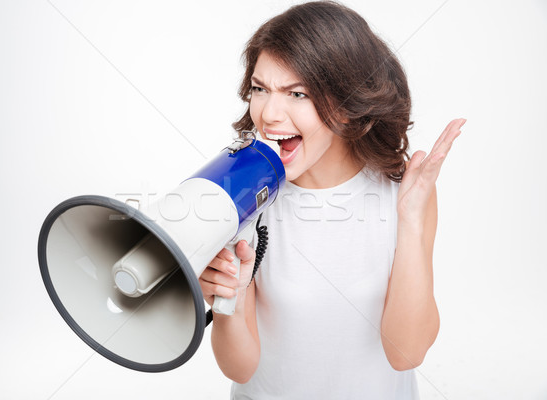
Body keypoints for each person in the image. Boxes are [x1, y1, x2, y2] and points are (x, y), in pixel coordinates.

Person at [198, 1, 465, 398]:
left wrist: (409, 220)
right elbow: (240, 366)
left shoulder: (404, 194)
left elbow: (406, 353)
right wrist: (229, 299)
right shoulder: (244, 194)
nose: (269, 113)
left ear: (346, 106)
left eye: (297, 93)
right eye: (260, 89)